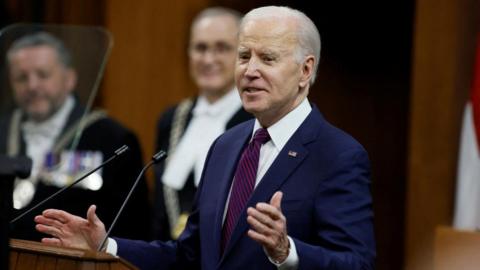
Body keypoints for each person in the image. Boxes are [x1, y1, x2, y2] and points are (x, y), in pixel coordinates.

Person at [34, 6, 376, 270]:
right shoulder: (226, 145)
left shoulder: (338, 154)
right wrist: (107, 246)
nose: (249, 70)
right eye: (244, 56)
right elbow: (190, 255)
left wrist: (288, 252)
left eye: (268, 58)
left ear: (305, 71)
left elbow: (356, 263)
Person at [0, 31, 152, 241]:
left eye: (43, 75)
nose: (32, 86)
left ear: (70, 78)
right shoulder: (3, 129)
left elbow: (133, 226)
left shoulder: (112, 138)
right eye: (21, 77)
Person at [153, 7, 252, 240]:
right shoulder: (173, 118)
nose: (208, 59)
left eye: (222, 48)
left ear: (243, 55)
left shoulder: (257, 119)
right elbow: (159, 205)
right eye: (200, 48)